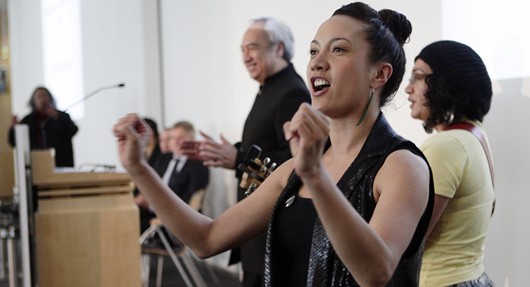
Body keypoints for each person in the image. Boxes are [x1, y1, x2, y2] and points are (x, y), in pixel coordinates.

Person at [114, 2, 434, 286]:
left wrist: (315, 177)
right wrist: (138, 168)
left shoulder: (401, 166)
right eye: (313, 51)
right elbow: (206, 238)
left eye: (338, 50)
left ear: (379, 74)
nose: (317, 63)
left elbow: (375, 273)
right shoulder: (296, 169)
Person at [193, 17, 311, 286]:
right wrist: (232, 154)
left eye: (253, 47)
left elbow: (298, 161)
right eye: (242, 49)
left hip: (272, 227)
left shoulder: (291, 92)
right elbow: (266, 148)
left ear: (278, 49)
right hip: (257, 227)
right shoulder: (269, 89)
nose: (245, 55)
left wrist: (238, 158)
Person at [405, 40, 496, 286]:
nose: (408, 88)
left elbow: (408, 241)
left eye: (417, 77)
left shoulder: (446, 146)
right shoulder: (475, 135)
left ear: (444, 85)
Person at [8, 86, 78, 167]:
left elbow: (73, 130)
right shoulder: (28, 120)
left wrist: (57, 118)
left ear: (50, 99)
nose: (42, 99)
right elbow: (14, 142)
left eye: (45, 96)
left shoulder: (61, 116)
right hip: (36, 165)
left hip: (60, 163)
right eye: (39, 96)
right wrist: (15, 129)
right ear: (33, 101)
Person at [153, 121, 209, 205]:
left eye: (181, 138)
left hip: (175, 210)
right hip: (153, 204)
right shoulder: (164, 158)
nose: (176, 142)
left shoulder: (198, 165)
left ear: (192, 139)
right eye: (172, 138)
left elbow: (191, 198)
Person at [133, 117, 163, 233]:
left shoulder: (162, 157)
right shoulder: (143, 155)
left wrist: (147, 200)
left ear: (150, 136)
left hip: (154, 208)